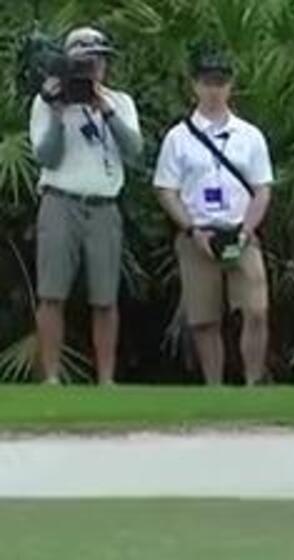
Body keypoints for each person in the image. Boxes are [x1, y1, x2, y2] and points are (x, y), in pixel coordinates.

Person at [153, 51, 275, 386]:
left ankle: (252, 383)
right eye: (207, 83)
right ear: (195, 85)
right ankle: (214, 387)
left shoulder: (249, 136)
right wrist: (192, 230)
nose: (214, 90)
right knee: (204, 319)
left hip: (240, 232)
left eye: (220, 83)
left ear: (230, 86)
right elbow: (166, 190)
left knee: (256, 309)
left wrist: (248, 230)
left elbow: (262, 189)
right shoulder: (178, 137)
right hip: (198, 234)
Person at [28, 26, 142, 386]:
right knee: (51, 294)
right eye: (84, 63)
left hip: (104, 205)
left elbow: (134, 150)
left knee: (105, 297)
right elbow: (46, 156)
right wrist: (60, 113)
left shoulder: (119, 102)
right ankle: (52, 378)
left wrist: (104, 109)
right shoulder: (47, 101)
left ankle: (106, 380)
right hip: (60, 201)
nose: (92, 69)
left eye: (97, 61)